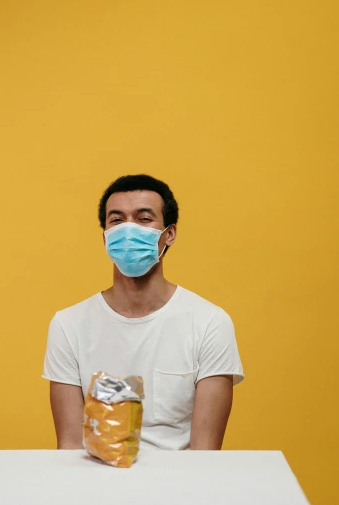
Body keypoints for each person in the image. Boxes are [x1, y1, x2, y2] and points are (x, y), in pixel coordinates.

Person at [42, 174, 244, 451]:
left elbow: (205, 453)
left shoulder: (210, 322)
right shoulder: (68, 325)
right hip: (97, 487)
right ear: (105, 237)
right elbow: (69, 445)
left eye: (143, 219)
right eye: (117, 220)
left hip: (180, 488)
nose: (128, 229)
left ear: (169, 234)